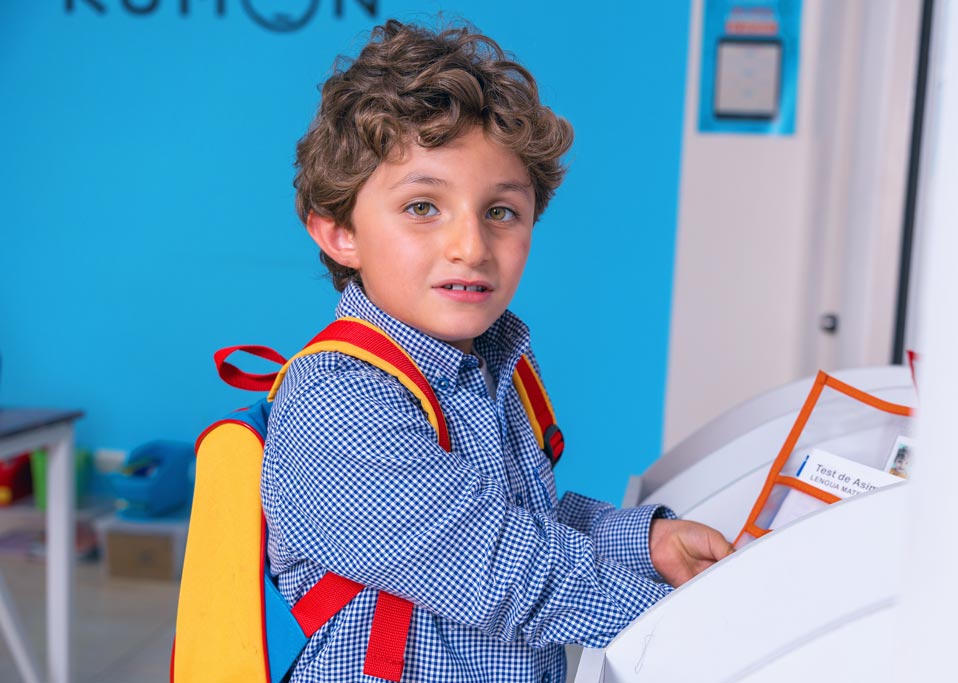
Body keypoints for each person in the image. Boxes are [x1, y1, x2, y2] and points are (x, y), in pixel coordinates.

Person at [262, 18, 733, 682]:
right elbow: (498, 566)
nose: (471, 246)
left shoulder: (489, 363)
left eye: (500, 211)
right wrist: (711, 626)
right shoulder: (340, 402)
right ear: (339, 232)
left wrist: (644, 542)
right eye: (424, 206)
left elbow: (519, 520)